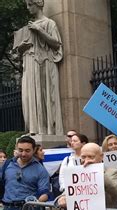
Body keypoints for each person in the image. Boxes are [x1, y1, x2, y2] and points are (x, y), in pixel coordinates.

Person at [15, 0, 63, 135]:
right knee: (29, 96)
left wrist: (39, 30)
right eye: (27, 6)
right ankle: (33, 128)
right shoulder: (28, 26)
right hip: (29, 62)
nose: (28, 8)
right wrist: (22, 47)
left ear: (39, 4)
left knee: (43, 94)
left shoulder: (49, 23)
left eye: (30, 5)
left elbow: (56, 43)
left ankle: (46, 129)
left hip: (43, 62)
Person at [59, 133, 88, 210]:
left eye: (75, 140)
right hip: (72, 197)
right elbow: (62, 176)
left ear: (83, 143)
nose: (72, 142)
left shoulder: (90, 158)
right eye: (71, 141)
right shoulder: (67, 160)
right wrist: (66, 189)